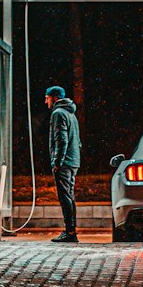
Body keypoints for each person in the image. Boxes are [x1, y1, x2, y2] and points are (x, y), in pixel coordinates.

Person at [45, 86, 82, 243]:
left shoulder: (58, 113)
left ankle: (70, 232)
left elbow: (61, 139)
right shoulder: (71, 113)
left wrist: (57, 162)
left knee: (64, 196)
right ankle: (71, 230)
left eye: (47, 97)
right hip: (73, 160)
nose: (45, 101)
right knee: (69, 195)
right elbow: (77, 140)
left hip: (65, 162)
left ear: (54, 97)